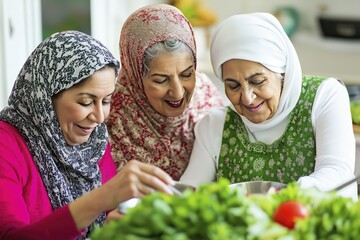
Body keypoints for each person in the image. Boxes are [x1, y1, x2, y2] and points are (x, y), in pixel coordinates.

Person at [0, 30, 175, 240]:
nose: (100, 117)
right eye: (85, 102)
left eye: (107, 100)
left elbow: (109, 218)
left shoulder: (93, 142)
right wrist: (99, 199)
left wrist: (117, 225)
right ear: (45, 97)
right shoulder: (6, 145)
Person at [180, 12, 358, 199]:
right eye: (233, 86)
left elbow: (336, 172)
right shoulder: (214, 125)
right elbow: (188, 193)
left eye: (257, 81)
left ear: (282, 72)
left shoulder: (324, 96)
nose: (247, 98)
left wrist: (277, 198)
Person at [106, 4, 224, 181]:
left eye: (186, 74)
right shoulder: (110, 116)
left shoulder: (205, 95)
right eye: (161, 80)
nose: (177, 93)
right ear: (136, 75)